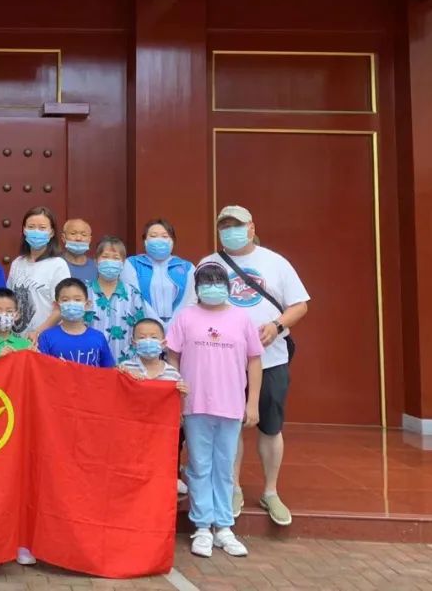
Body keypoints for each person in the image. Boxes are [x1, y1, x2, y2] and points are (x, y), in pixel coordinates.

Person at [199, 205, 309, 527]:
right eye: (225, 226)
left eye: (237, 225)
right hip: (223, 362)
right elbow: (195, 308)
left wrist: (276, 325)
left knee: (270, 426)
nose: (230, 231)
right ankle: (232, 487)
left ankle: (270, 491)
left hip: (271, 358)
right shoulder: (209, 264)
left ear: (251, 227)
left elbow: (300, 305)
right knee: (229, 424)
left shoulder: (275, 262)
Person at [165, 263, 263, 558]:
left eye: (218, 282)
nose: (212, 287)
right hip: (195, 404)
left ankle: (224, 526)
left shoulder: (241, 318)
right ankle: (202, 526)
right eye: (206, 282)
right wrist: (176, 397)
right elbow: (173, 356)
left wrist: (252, 402)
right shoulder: (185, 317)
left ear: (228, 286)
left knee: (225, 466)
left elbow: (254, 360)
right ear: (197, 288)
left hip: (230, 404)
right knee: (199, 465)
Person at [120, 316, 190, 495]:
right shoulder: (125, 367)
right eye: (142, 337)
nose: (148, 341)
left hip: (160, 431)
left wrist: (181, 393)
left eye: (153, 337)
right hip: (133, 430)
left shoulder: (172, 373)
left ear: (163, 343)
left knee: (163, 455)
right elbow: (115, 393)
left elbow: (177, 405)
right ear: (133, 342)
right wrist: (122, 375)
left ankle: (168, 481)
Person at [86, 235, 156, 364]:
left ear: (123, 263)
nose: (110, 262)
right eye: (105, 257)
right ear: (96, 261)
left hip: (126, 365)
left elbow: (143, 329)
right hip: (90, 363)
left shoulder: (133, 294)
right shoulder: (84, 292)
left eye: (116, 258)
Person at [7, 206, 71, 336]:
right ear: (24, 230)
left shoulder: (58, 265)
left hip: (45, 338)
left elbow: (60, 308)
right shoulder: (17, 263)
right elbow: (9, 300)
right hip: (16, 338)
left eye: (42, 228)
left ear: (51, 232)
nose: (36, 232)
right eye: (31, 227)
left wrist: (37, 333)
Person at [122, 218, 194, 328]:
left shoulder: (187, 267)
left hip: (178, 326)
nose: (159, 240)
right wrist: (155, 324)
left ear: (172, 241)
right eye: (153, 236)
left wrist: (172, 325)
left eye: (164, 236)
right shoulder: (132, 264)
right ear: (145, 241)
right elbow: (134, 297)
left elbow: (189, 300)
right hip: (143, 326)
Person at [37, 277, 115, 367]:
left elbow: (110, 371)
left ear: (87, 305)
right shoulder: (46, 337)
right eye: (65, 300)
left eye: (77, 300)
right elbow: (40, 370)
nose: (71, 303)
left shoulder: (98, 337)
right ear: (57, 306)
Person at [61, 218, 96, 285]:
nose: (78, 238)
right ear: (63, 237)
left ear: (90, 239)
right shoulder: (55, 264)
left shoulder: (96, 267)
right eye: (73, 234)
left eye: (83, 235)